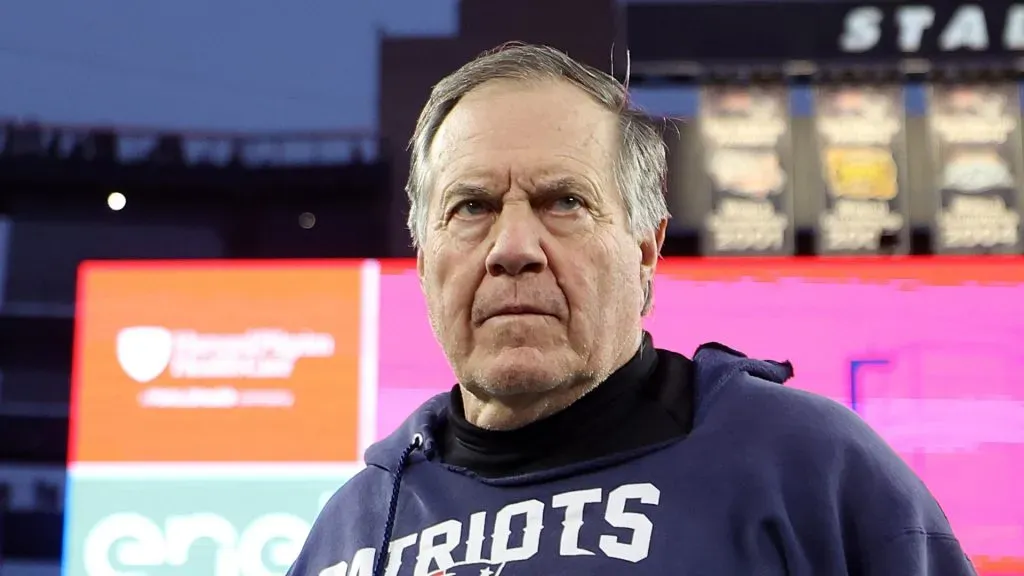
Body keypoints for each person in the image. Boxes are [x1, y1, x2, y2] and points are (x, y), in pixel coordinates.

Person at [287, 43, 975, 576]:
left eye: (565, 201)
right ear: (423, 259)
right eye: (472, 207)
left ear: (646, 251)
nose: (514, 248)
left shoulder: (809, 470)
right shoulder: (356, 528)